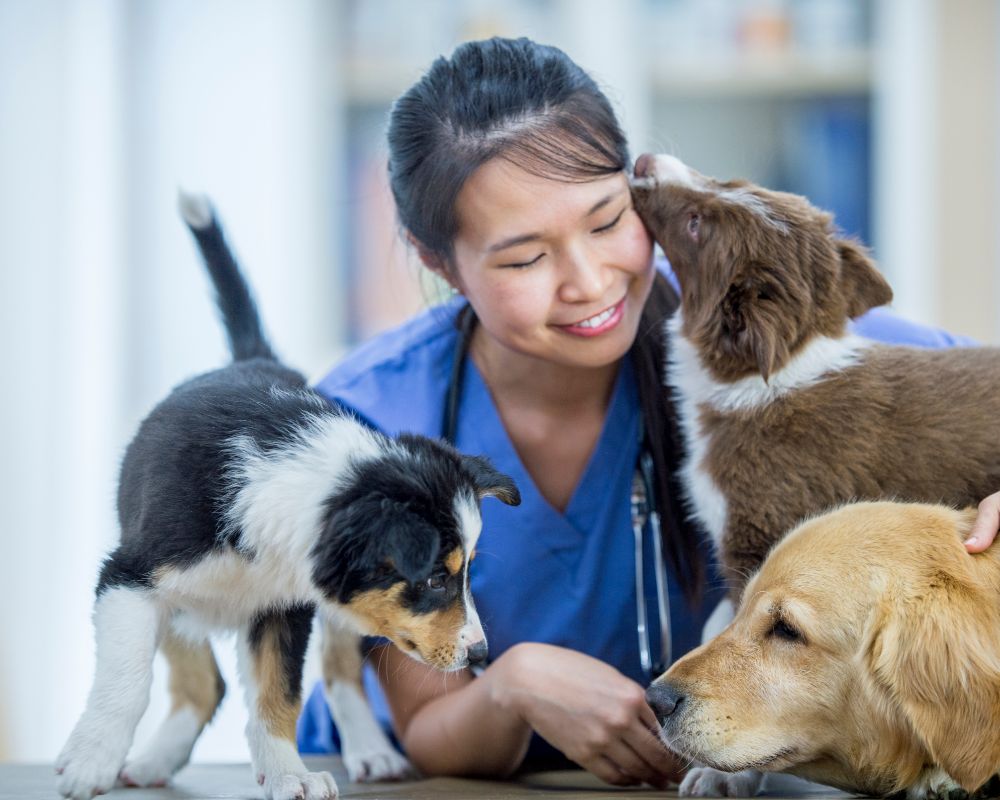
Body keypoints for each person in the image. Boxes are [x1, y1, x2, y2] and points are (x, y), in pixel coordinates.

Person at [298, 37, 1000, 787]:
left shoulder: (766, 340)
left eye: (607, 222)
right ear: (438, 262)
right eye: (524, 258)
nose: (590, 282)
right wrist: (514, 684)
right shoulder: (367, 419)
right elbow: (432, 735)